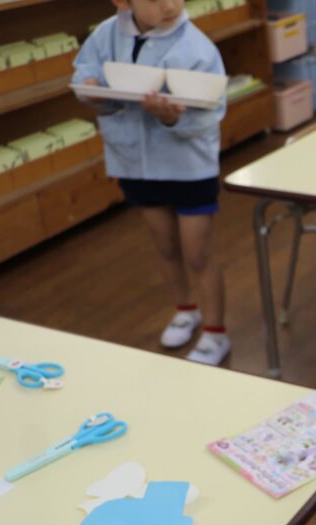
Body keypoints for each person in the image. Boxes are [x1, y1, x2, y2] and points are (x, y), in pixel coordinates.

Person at [73, 0, 231, 365]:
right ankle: (185, 310)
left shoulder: (198, 48)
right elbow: (85, 70)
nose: (170, 5)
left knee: (198, 253)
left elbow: (211, 114)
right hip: (136, 164)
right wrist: (90, 88)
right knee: (165, 247)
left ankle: (215, 332)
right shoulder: (106, 34)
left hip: (189, 168)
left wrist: (171, 118)